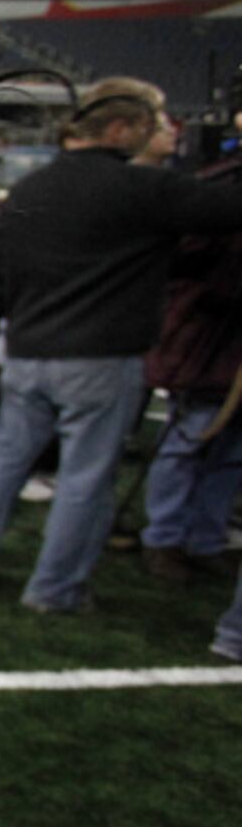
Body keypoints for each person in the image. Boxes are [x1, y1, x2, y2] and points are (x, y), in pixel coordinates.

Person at [0, 80, 242, 611]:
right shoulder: (142, 189)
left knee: (2, 465)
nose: (166, 131)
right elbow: (225, 208)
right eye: (156, 122)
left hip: (28, 351)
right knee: (85, 479)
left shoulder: (32, 189)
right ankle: (54, 589)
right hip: (101, 358)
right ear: (121, 129)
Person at [136, 146, 242, 583]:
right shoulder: (217, 185)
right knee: (187, 439)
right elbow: (179, 258)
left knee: (234, 451)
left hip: (224, 340)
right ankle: (163, 536)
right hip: (205, 336)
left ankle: (205, 537)